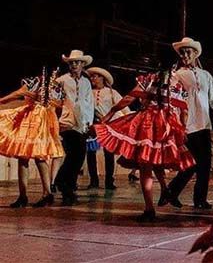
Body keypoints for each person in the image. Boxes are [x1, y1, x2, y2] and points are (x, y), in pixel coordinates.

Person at [95, 68, 195, 221]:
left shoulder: (150, 79)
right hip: (167, 123)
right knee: (156, 158)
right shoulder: (177, 82)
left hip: (148, 122)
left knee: (146, 163)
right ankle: (163, 188)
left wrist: (110, 114)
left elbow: (129, 98)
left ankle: (150, 208)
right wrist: (182, 127)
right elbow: (183, 109)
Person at [167, 37, 213, 210]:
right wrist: (177, 125)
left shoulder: (205, 75)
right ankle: (171, 191)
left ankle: (197, 199)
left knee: (205, 164)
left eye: (188, 51)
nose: (185, 54)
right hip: (188, 125)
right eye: (183, 52)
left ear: (195, 54)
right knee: (191, 163)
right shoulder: (176, 75)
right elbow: (174, 100)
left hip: (204, 124)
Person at [0, 67, 65, 207]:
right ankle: (45, 193)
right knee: (36, 157)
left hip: (34, 121)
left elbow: (19, 93)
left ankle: (28, 195)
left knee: (27, 158)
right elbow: (60, 105)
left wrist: (3, 100)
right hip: (43, 120)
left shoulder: (37, 82)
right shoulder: (55, 85)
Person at [54, 50, 95, 206]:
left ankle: (67, 184)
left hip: (82, 122)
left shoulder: (86, 82)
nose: (74, 65)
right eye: (71, 62)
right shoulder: (61, 80)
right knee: (74, 153)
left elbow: (89, 102)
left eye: (77, 62)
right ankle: (63, 183)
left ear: (82, 64)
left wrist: (89, 123)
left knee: (79, 155)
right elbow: (55, 100)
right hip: (67, 121)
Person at [85, 67, 130, 190]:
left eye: (95, 76)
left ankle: (109, 181)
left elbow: (123, 107)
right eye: (92, 76)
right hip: (94, 125)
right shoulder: (88, 93)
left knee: (108, 154)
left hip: (109, 126)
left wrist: (128, 120)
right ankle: (93, 180)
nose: (93, 78)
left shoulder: (111, 92)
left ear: (102, 78)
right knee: (91, 152)